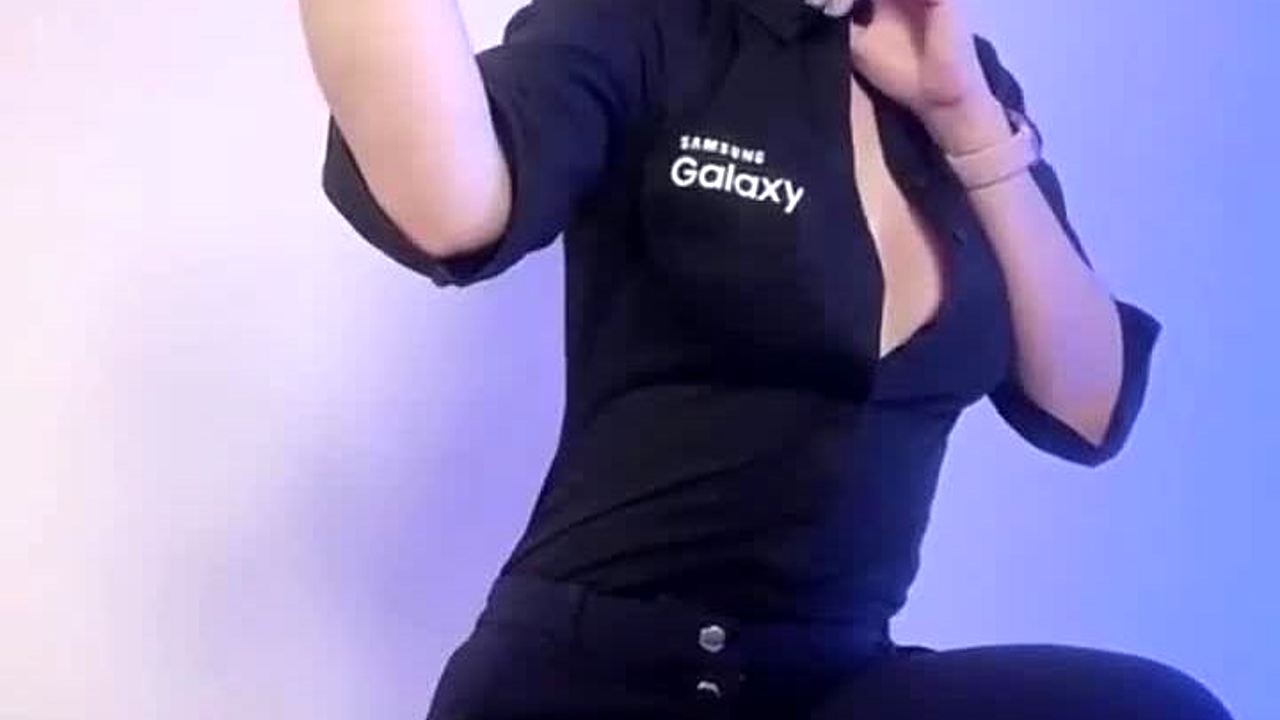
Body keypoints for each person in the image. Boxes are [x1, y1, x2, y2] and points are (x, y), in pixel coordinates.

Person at [302, 0, 1235, 717]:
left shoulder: (962, 81)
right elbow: (450, 201)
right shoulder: (648, 24)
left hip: (836, 683)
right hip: (594, 673)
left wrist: (967, 121)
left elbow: (1086, 401)